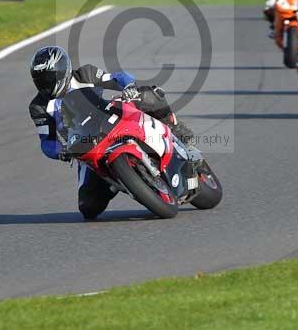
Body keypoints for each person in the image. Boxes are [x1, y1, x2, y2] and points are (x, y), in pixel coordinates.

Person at [28, 46, 194, 220]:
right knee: (88, 207)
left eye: (48, 78)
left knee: (147, 95)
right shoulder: (38, 107)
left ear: (63, 70)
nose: (45, 84)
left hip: (110, 119)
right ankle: (119, 181)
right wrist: (60, 152)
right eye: (40, 80)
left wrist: (128, 86)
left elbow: (118, 78)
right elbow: (46, 140)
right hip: (85, 145)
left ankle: (174, 126)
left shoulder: (85, 75)